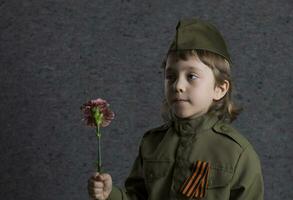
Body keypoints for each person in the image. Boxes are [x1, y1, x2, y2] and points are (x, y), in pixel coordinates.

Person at [87, 17, 264, 200]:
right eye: (170, 76)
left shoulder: (238, 154)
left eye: (192, 76)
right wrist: (109, 195)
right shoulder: (152, 143)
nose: (178, 85)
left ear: (219, 88)